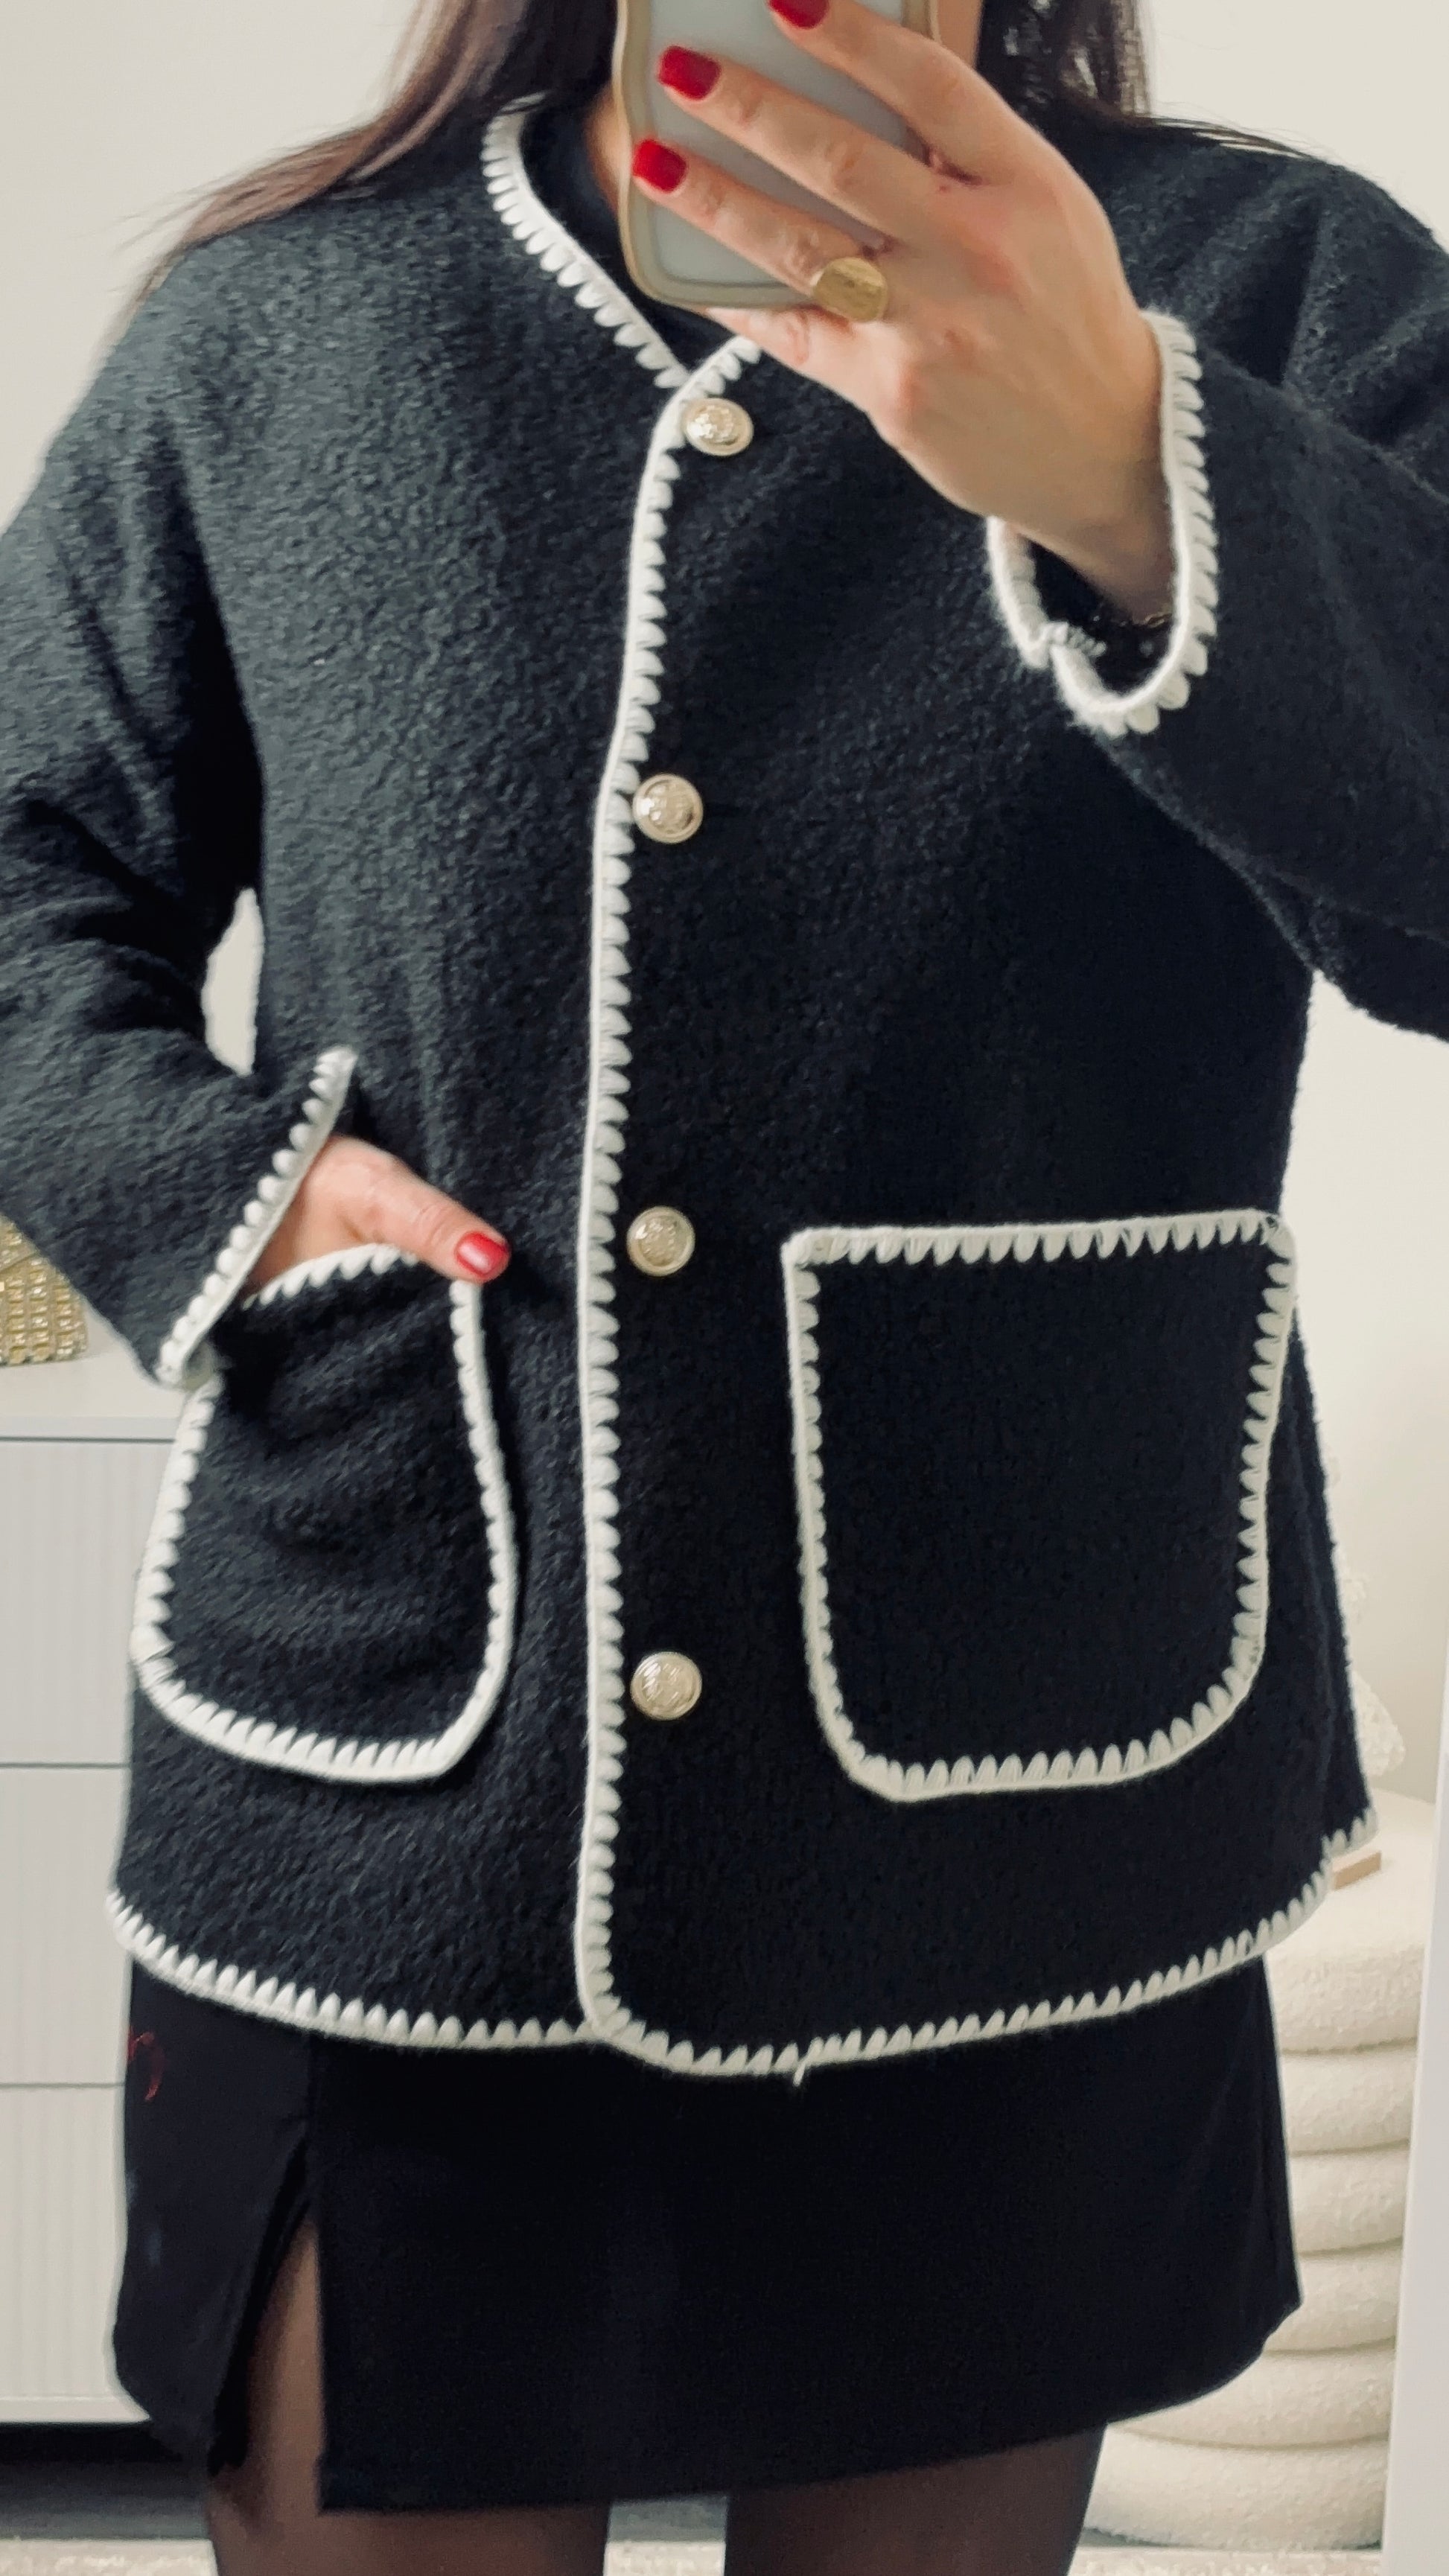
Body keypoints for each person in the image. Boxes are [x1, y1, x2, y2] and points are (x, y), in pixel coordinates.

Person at [2, 0, 1447, 2566]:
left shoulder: (1277, 282)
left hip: (1017, 1774)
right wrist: (229, 1202)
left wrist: (1135, 473)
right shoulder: (277, 325)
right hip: (410, 1752)